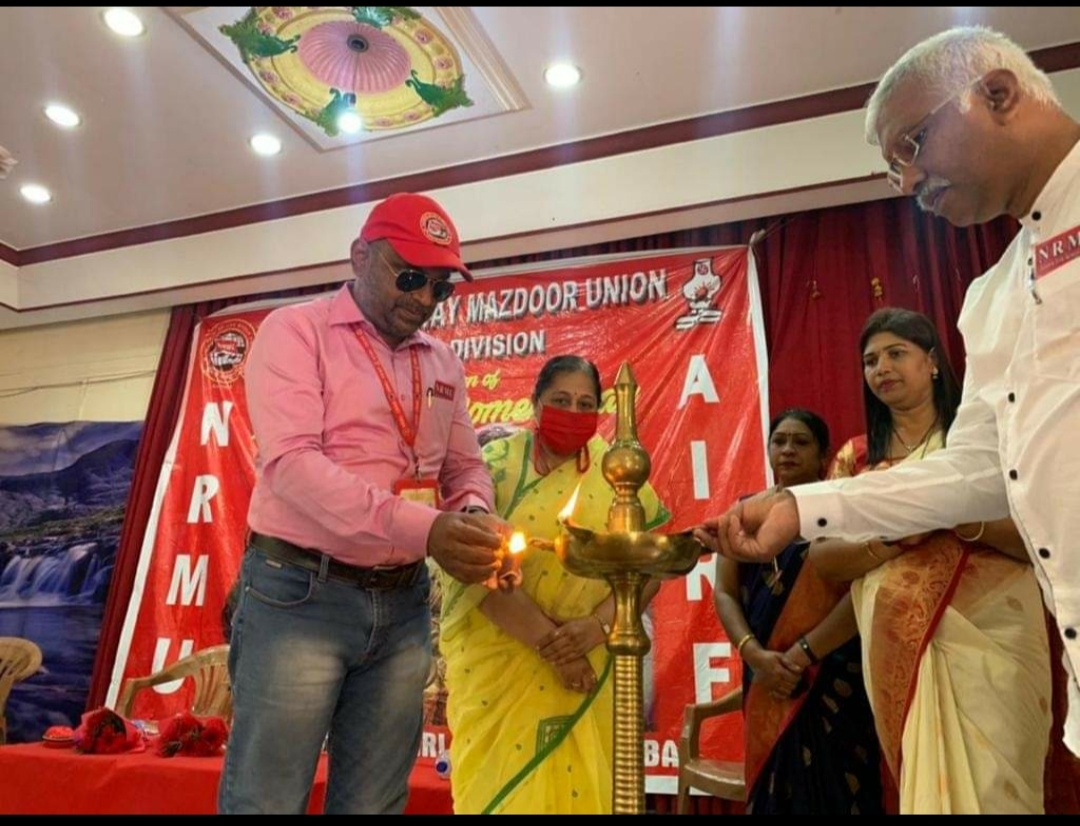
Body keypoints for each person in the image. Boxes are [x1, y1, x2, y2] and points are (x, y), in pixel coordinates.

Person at [696, 24, 1080, 759]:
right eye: (891, 166)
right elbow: (978, 475)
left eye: (913, 145)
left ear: (997, 94)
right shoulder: (991, 295)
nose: (907, 181)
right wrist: (799, 506)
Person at [219, 192, 513, 815]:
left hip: (403, 601)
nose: (424, 299)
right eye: (409, 276)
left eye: (441, 289)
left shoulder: (443, 362)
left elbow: (464, 468)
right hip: (299, 594)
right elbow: (294, 466)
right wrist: (429, 530)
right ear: (359, 256)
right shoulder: (295, 331)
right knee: (266, 799)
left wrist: (477, 518)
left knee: (376, 803)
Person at [810, 308, 1051, 813]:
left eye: (896, 353)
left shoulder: (987, 445)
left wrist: (966, 521)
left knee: (996, 784)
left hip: (994, 640)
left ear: (934, 362)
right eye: (871, 360)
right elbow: (825, 561)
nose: (882, 369)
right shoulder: (857, 459)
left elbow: (1043, 536)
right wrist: (889, 542)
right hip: (898, 646)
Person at [438, 355, 670, 814]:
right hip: (501, 661)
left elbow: (649, 569)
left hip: (594, 659)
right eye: (561, 400)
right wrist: (556, 647)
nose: (574, 411)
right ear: (535, 404)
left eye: (587, 403)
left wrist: (596, 627)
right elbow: (472, 572)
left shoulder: (620, 476)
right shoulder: (494, 467)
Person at [715, 408, 882, 815]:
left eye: (801, 442)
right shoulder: (743, 514)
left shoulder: (842, 510)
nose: (788, 450)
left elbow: (860, 593)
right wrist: (753, 653)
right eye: (780, 441)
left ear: (824, 454)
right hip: (764, 674)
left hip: (832, 674)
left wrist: (802, 653)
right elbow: (724, 591)